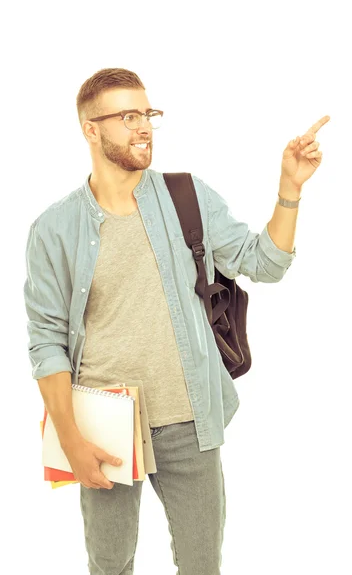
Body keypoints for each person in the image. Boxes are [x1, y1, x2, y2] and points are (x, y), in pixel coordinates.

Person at [24, 67, 327, 574]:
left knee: (202, 565)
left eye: (147, 113)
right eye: (126, 115)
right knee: (111, 564)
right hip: (105, 424)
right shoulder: (55, 228)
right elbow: (46, 341)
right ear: (90, 130)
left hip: (190, 418)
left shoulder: (186, 196)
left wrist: (289, 188)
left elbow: (265, 263)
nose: (142, 126)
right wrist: (71, 439)